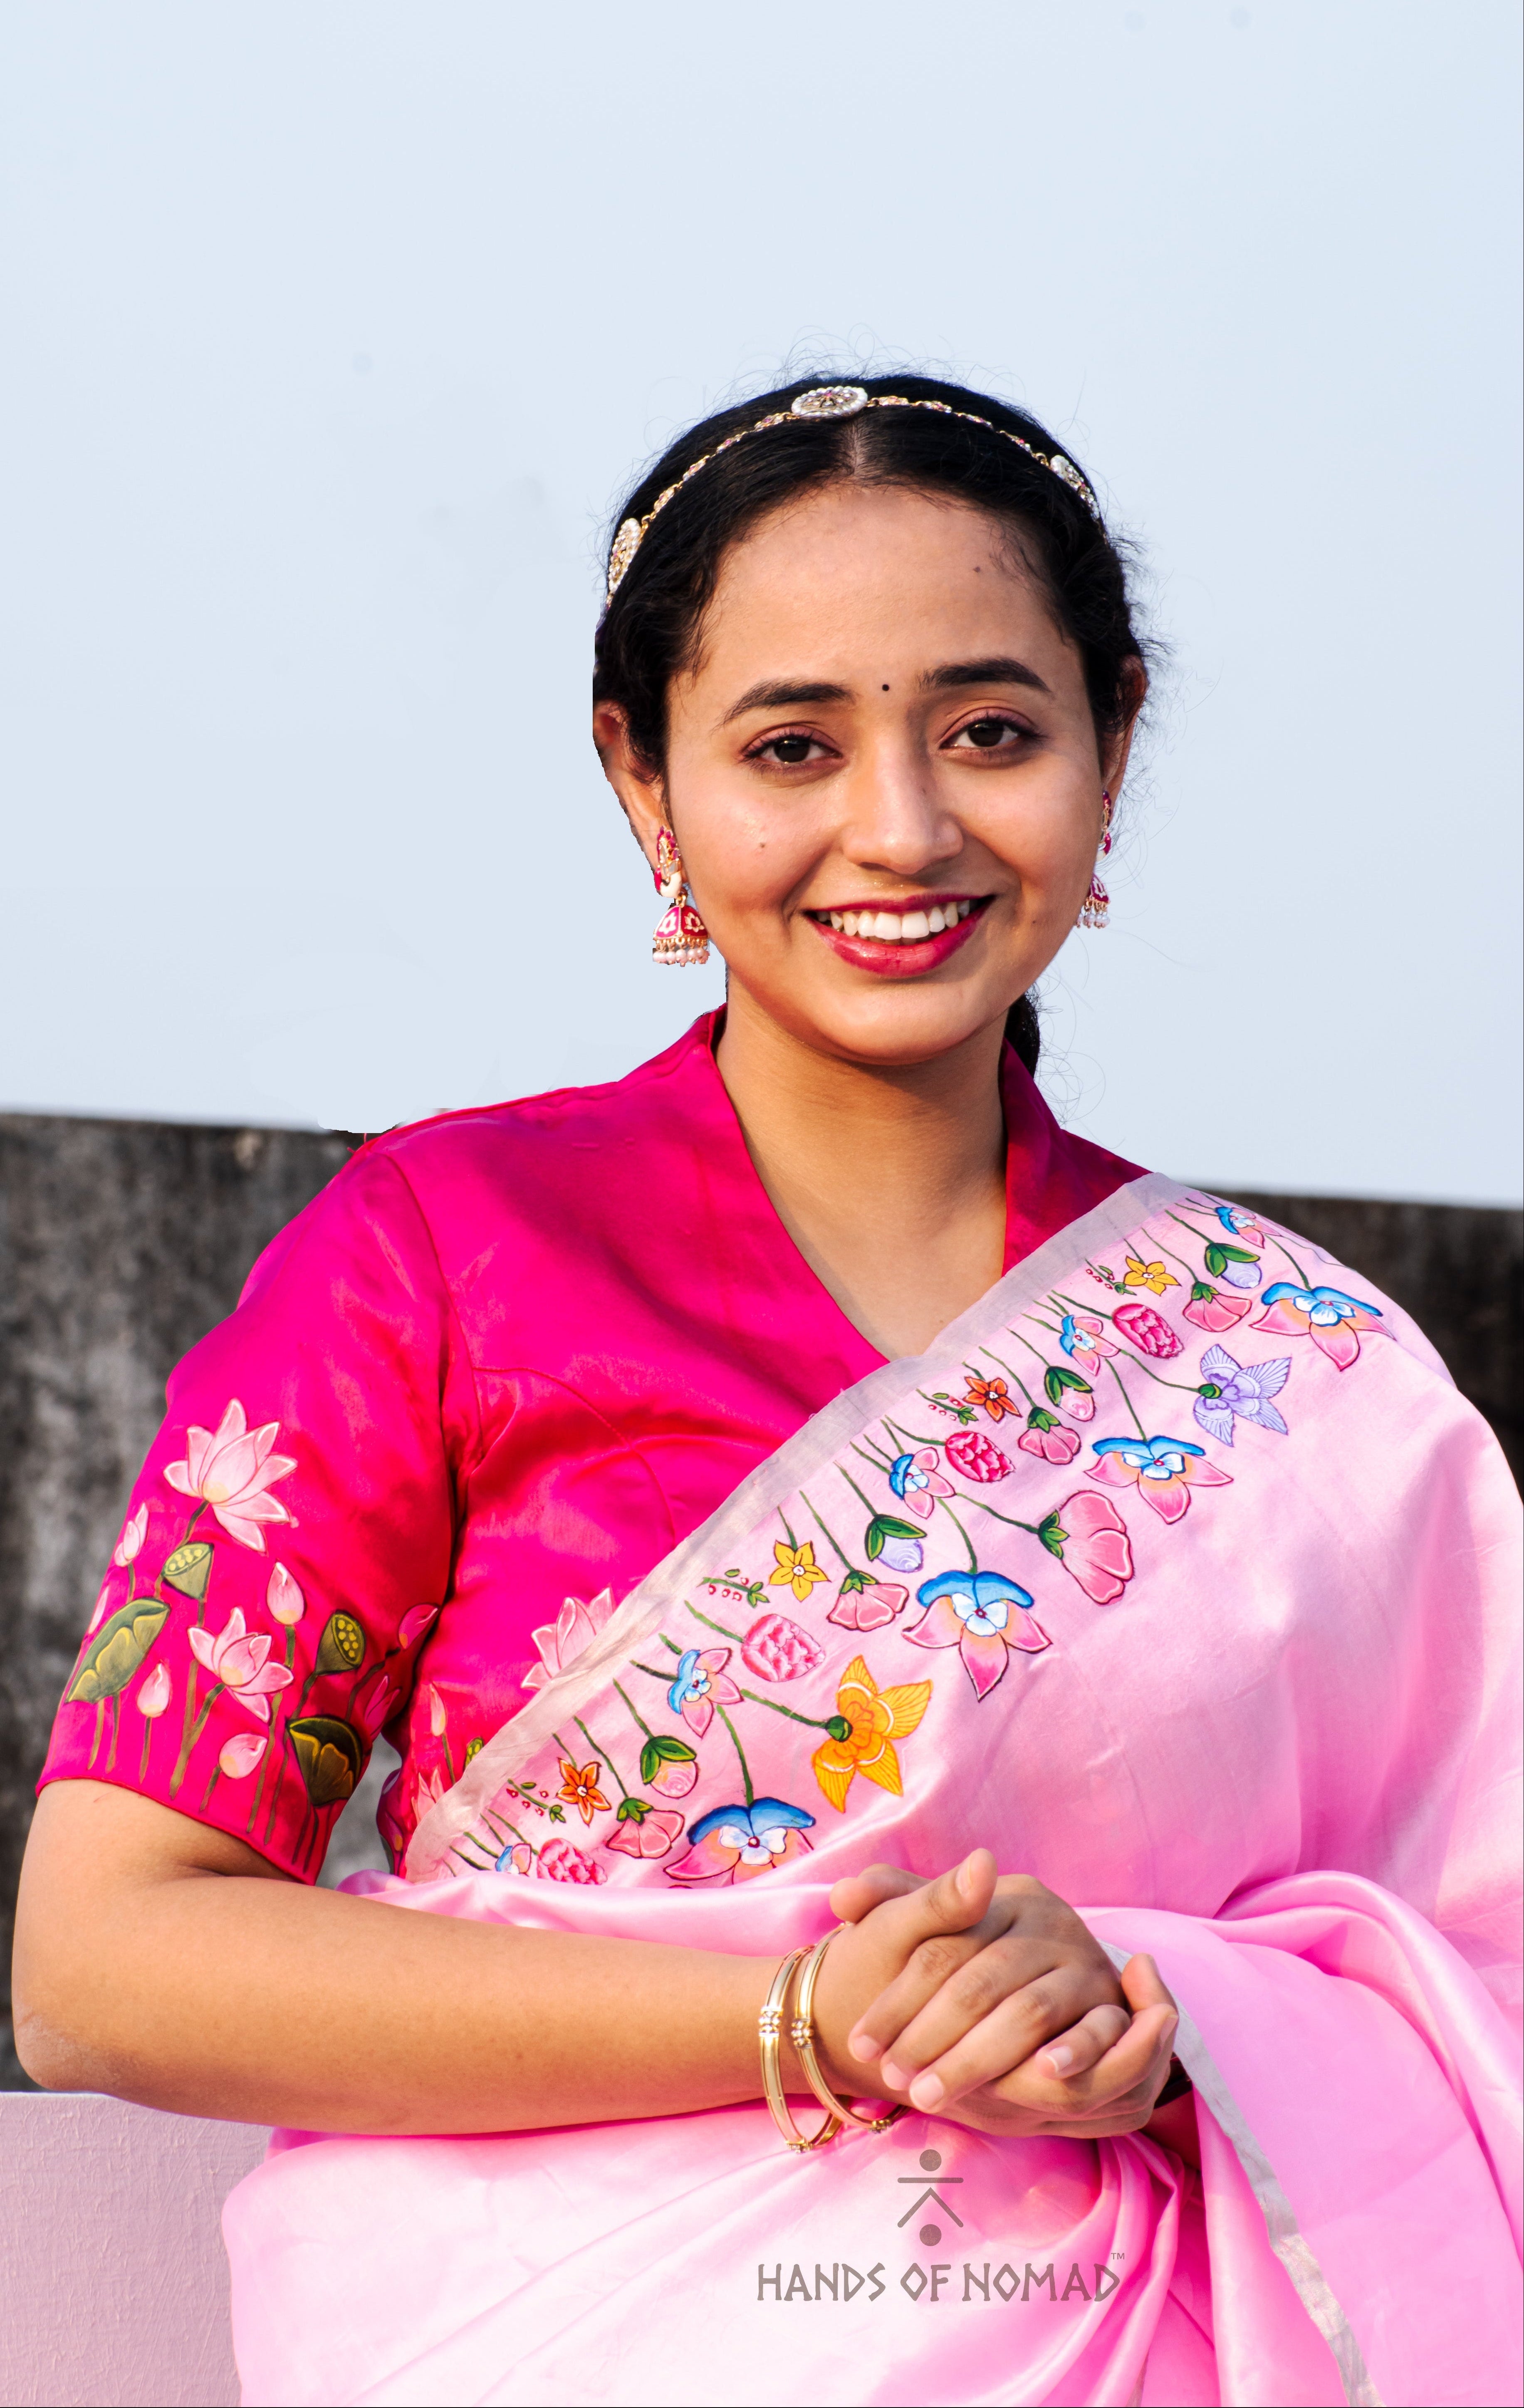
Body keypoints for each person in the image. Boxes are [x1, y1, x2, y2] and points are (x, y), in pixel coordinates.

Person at [14, 374, 1520, 2408]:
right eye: (791, 745)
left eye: (989, 730)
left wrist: (1181, 2011)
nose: (898, 830)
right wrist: (804, 2012)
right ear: (643, 777)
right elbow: (102, 1962)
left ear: (1113, 744)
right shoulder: (437, 1258)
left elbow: (1479, 1983)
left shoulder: (1300, 1370)